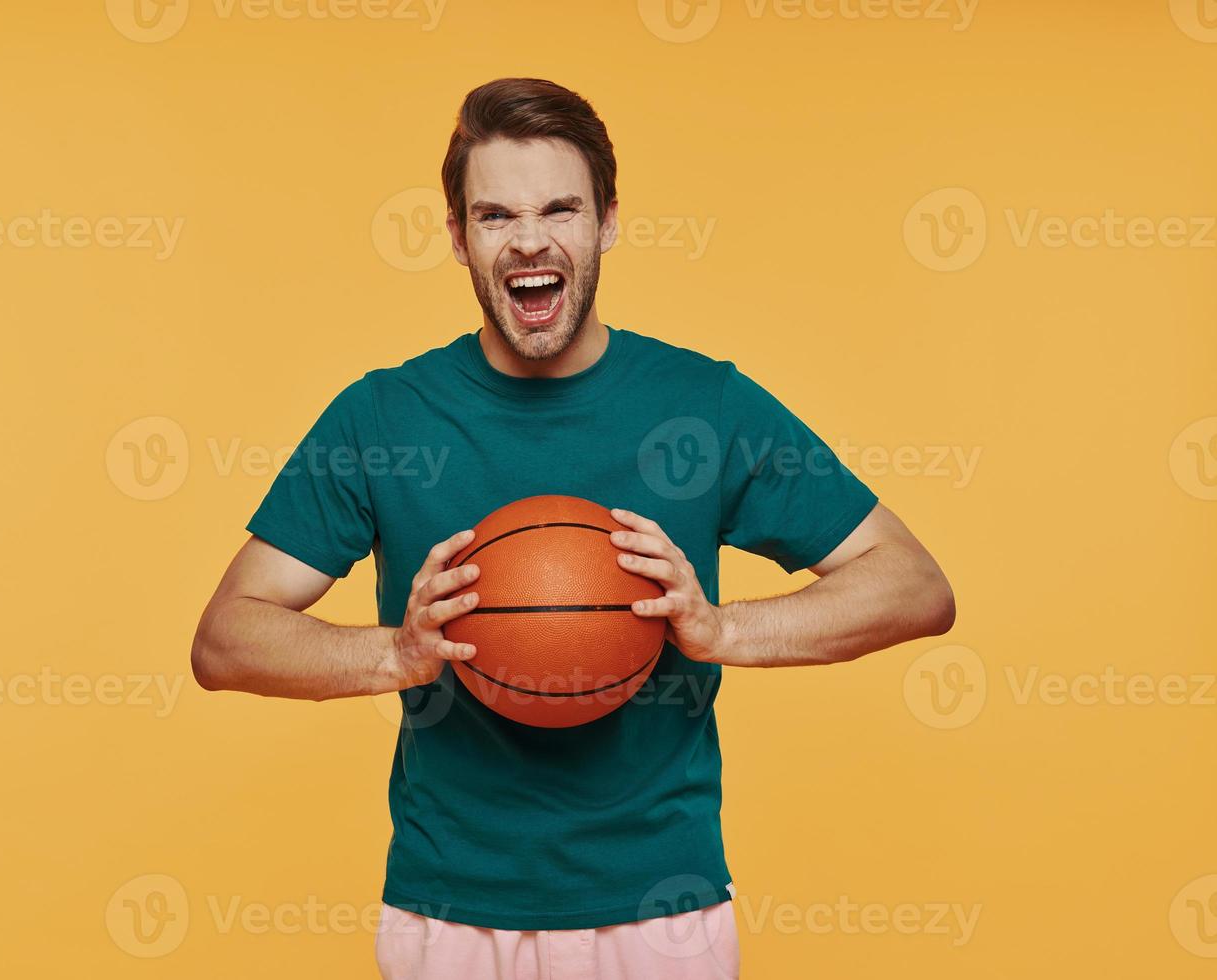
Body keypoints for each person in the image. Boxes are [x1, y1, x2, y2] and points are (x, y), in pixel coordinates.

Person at [191, 76, 955, 980]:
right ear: (456, 237)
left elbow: (915, 585)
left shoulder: (700, 404)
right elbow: (225, 641)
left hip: (663, 917)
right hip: (448, 916)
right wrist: (395, 653)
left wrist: (722, 628)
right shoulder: (386, 418)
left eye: (560, 207)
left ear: (607, 222)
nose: (529, 239)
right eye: (493, 215)